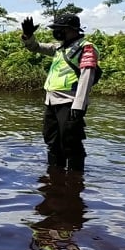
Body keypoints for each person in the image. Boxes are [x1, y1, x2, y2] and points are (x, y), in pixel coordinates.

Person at [21, 14, 99, 173]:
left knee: (70, 141)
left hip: (70, 102)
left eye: (59, 29)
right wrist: (28, 36)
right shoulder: (59, 47)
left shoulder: (85, 47)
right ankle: (55, 176)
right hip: (51, 101)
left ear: (71, 29)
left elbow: (87, 76)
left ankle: (75, 179)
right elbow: (34, 47)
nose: (56, 32)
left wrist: (79, 104)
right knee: (52, 140)